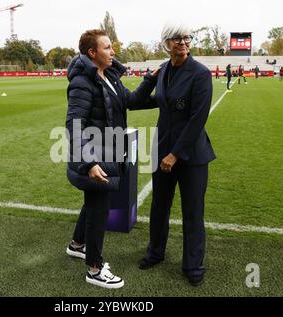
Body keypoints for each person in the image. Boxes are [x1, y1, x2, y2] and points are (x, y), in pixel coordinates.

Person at [65, 29, 158, 289]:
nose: (113, 51)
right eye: (107, 47)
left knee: (93, 203)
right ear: (92, 53)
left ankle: (77, 245)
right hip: (94, 156)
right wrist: (89, 163)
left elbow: (129, 101)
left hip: (107, 152)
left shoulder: (109, 76)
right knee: (98, 208)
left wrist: (151, 82)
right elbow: (74, 125)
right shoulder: (82, 82)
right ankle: (94, 269)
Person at [137, 22, 216, 287]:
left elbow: (197, 119)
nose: (183, 42)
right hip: (161, 151)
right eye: (176, 38)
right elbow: (139, 102)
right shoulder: (163, 72)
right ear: (166, 43)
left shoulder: (201, 74)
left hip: (191, 156)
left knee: (193, 211)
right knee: (159, 207)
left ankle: (193, 265)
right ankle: (155, 253)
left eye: (186, 37)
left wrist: (175, 154)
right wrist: (149, 78)